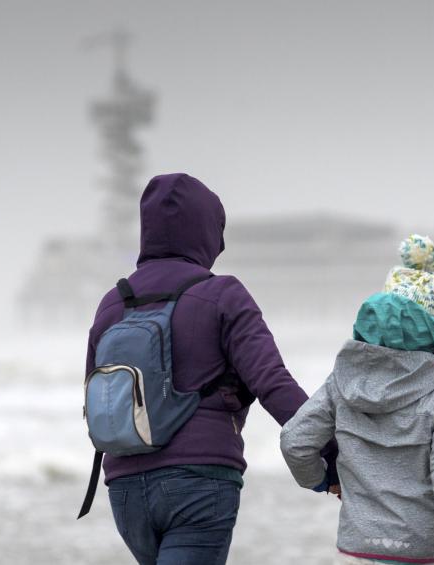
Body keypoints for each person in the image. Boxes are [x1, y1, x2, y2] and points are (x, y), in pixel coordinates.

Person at [86, 172, 337, 564]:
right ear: (207, 231)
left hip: (124, 487)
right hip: (199, 483)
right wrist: (334, 452)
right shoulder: (223, 294)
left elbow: (97, 396)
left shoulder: (113, 304)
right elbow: (273, 384)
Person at [280, 234, 434, 565]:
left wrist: (322, 480)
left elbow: (295, 441)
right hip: (424, 554)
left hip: (356, 549)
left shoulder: (342, 382)